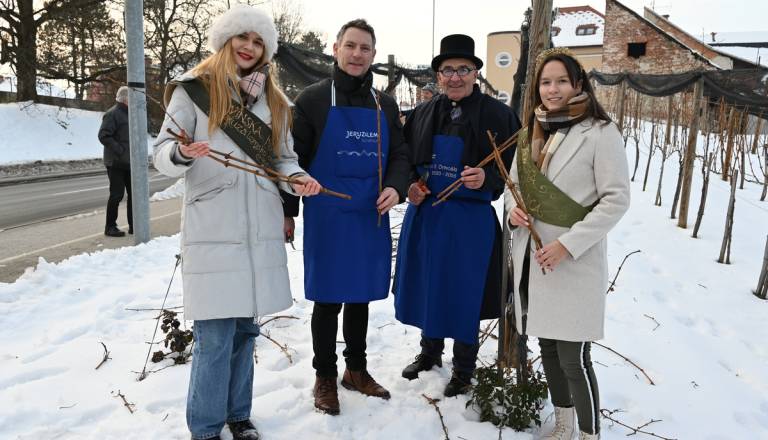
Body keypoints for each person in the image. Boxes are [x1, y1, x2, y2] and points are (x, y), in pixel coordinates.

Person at [153, 5, 321, 440]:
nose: (249, 47)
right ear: (226, 41)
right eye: (242, 38)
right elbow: (161, 152)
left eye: (258, 41)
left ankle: (238, 415)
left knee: (246, 331)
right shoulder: (194, 92)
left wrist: (298, 180)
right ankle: (206, 428)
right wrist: (181, 154)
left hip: (259, 228)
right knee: (214, 337)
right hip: (215, 226)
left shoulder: (276, 101)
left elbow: (284, 158)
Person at [284, 18, 410, 415]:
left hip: (370, 214)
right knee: (327, 298)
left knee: (360, 297)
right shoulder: (313, 100)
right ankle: (324, 375)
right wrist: (288, 212)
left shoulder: (384, 104)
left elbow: (401, 155)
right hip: (327, 216)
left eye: (365, 48)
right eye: (351, 46)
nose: (357, 54)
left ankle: (356, 371)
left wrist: (397, 186)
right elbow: (292, 160)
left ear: (373, 55)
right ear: (335, 48)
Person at [505, 48, 630, 440]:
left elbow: (616, 199)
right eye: (545, 82)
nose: (552, 89)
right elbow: (513, 187)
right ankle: (563, 426)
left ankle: (590, 435)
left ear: (578, 84)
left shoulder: (600, 131)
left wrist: (568, 245)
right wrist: (513, 212)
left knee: (574, 358)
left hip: (573, 261)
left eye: (561, 81)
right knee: (547, 350)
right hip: (535, 259)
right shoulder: (531, 132)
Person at [392, 34, 520, 397]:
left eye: (464, 69)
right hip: (429, 216)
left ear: (476, 72)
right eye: (447, 70)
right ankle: (430, 353)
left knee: (465, 290)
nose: (455, 77)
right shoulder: (421, 114)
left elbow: (514, 174)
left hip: (470, 220)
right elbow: (406, 162)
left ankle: (464, 368)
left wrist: (488, 178)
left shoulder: (499, 115)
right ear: (437, 75)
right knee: (430, 284)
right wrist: (411, 187)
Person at [98, 85, 132, 237]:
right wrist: (120, 150)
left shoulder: (131, 114)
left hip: (130, 162)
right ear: (126, 99)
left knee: (134, 195)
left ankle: (135, 225)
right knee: (116, 195)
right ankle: (110, 227)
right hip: (116, 162)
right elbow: (104, 135)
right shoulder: (112, 114)